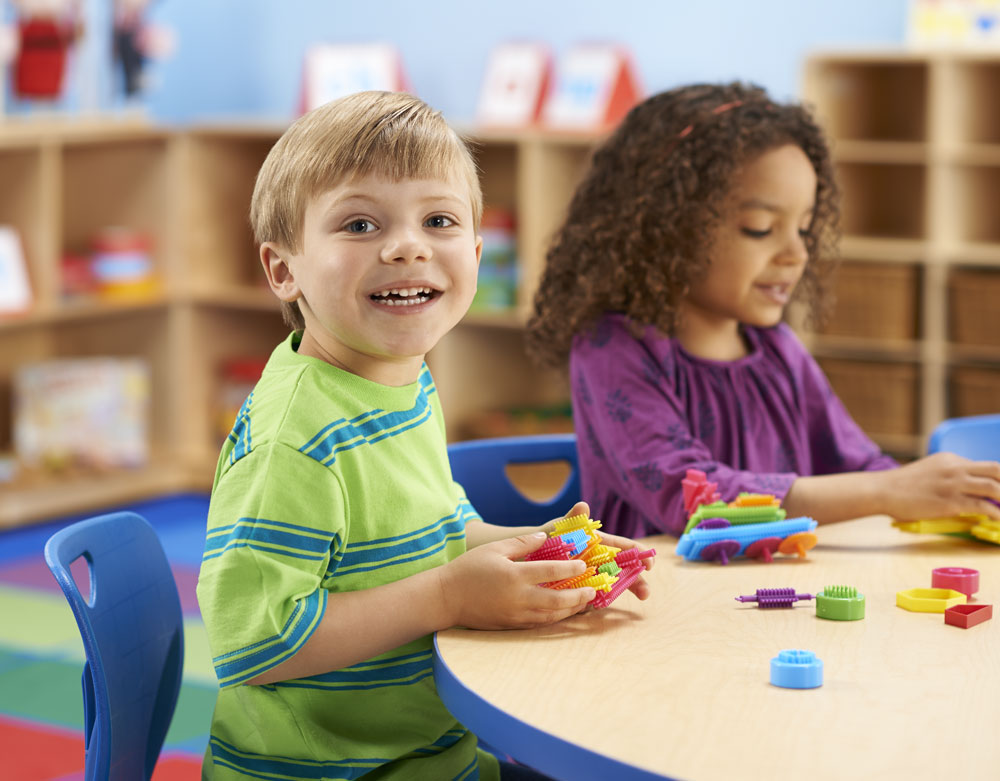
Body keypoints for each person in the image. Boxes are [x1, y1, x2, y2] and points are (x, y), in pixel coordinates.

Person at [196, 90, 652, 781]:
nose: (407, 245)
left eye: (438, 219)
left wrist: (540, 549)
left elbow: (435, 527)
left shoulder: (402, 381)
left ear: (473, 250)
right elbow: (255, 641)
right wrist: (450, 596)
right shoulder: (295, 440)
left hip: (429, 753)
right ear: (283, 270)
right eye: (359, 224)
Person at [526, 82, 1000, 540]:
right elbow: (692, 500)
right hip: (659, 607)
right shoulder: (613, 347)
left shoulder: (776, 348)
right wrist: (886, 490)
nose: (797, 254)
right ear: (665, 227)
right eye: (760, 228)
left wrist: (935, 494)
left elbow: (859, 465)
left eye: (805, 228)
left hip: (776, 600)